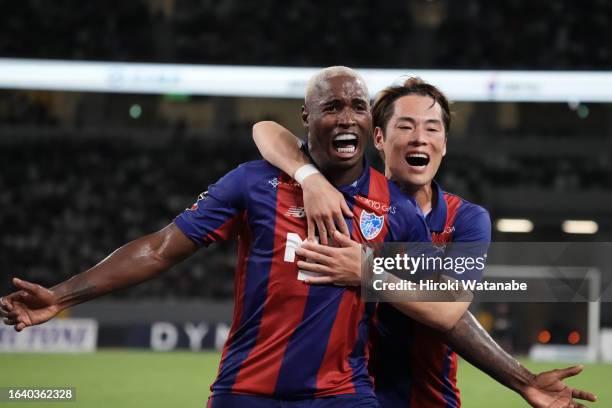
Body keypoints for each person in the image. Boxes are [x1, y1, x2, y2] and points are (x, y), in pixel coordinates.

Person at [0, 67, 471, 408]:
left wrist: (366, 270)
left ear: (371, 124)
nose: (347, 117)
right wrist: (61, 295)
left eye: (357, 107)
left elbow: (445, 303)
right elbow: (161, 248)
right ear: (306, 120)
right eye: (331, 107)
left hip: (343, 394)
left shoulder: (397, 208)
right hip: (246, 390)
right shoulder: (254, 183)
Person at [251, 77, 597, 408]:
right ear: (379, 138)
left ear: (444, 144)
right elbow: (265, 130)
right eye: (405, 126)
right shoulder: (341, 198)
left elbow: (447, 310)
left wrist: (365, 270)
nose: (419, 138)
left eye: (432, 128)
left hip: (428, 399)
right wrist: (310, 178)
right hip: (338, 394)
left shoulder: (465, 219)